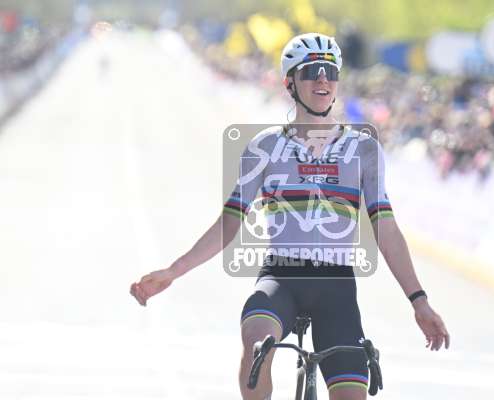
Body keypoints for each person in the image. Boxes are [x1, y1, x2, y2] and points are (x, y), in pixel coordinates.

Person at [130, 32, 450, 400]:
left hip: (336, 288)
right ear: (290, 83)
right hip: (280, 279)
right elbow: (229, 224)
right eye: (311, 71)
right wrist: (173, 271)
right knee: (256, 341)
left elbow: (387, 230)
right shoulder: (265, 147)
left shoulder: (363, 149)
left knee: (351, 393)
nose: (322, 79)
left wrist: (418, 300)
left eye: (330, 71)